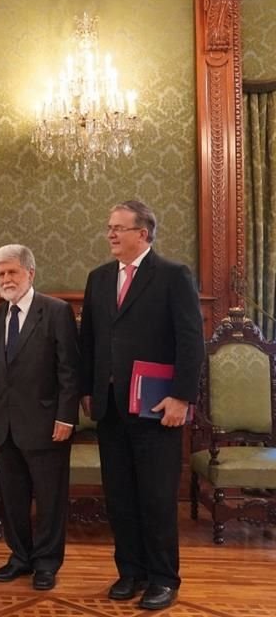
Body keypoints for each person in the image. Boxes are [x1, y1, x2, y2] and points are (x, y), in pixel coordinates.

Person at [79, 200, 204, 611]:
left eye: (119, 228)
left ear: (143, 233)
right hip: (111, 408)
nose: (111, 234)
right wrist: (87, 389)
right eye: (109, 227)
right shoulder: (98, 279)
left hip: (157, 408)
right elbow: (91, 342)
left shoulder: (172, 275)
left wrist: (182, 397)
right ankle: (129, 572)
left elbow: (190, 342)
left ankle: (163, 579)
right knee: (120, 497)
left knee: (155, 498)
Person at [0, 244, 80, 591]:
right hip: (5, 425)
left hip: (46, 423)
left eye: (12, 272)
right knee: (12, 499)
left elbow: (69, 370)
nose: (7, 279)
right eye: (1, 274)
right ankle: (20, 558)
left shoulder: (56, 311)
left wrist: (66, 418)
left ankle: (46, 563)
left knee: (49, 499)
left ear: (30, 273)